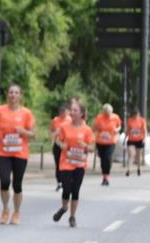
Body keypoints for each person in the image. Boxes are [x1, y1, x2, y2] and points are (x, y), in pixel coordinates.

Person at [0, 84, 36, 225]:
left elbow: (33, 135)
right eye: (11, 92)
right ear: (7, 95)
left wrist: (23, 131)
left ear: (20, 96)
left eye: (16, 93)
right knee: (4, 182)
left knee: (17, 185)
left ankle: (16, 212)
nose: (13, 95)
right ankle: (5, 209)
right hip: (3, 152)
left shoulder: (26, 113)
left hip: (20, 153)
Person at [54, 98, 94, 228]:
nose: (72, 112)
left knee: (75, 190)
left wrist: (85, 146)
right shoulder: (64, 127)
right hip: (66, 162)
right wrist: (62, 145)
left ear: (81, 113)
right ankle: (64, 208)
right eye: (71, 110)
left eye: (75, 110)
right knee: (66, 190)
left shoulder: (87, 130)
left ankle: (72, 216)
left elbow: (92, 148)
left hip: (80, 164)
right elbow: (57, 140)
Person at [92, 103, 122, 186]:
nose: (108, 115)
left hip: (111, 142)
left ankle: (106, 177)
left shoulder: (115, 117)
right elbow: (93, 128)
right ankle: (104, 175)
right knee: (102, 159)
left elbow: (119, 126)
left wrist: (116, 130)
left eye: (109, 113)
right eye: (106, 114)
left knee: (107, 158)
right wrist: (96, 129)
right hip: (100, 142)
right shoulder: (99, 118)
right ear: (103, 112)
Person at [50, 105, 71, 191]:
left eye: (64, 112)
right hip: (58, 144)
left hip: (67, 145)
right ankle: (59, 183)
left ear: (68, 112)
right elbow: (51, 133)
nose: (62, 114)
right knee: (58, 164)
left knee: (67, 164)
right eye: (61, 112)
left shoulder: (70, 120)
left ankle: (67, 182)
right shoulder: (55, 120)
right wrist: (55, 133)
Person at [124, 107, 147, 176]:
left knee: (138, 155)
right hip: (131, 139)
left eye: (136, 115)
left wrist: (144, 138)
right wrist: (125, 138)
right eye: (134, 115)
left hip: (140, 139)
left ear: (138, 114)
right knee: (131, 154)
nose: (135, 116)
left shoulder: (142, 120)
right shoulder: (129, 120)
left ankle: (138, 169)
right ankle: (128, 170)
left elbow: (144, 130)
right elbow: (128, 130)